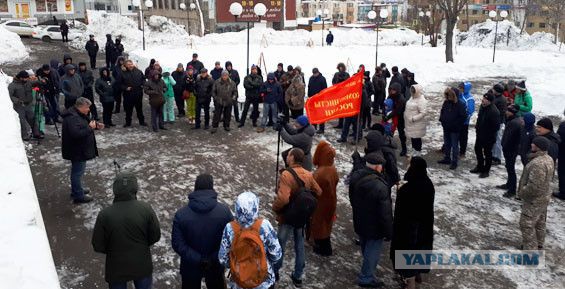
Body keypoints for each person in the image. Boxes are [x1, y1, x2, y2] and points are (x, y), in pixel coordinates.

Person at [92, 172, 161, 289]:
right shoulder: (145, 209)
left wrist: (114, 250)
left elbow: (97, 245)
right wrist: (142, 245)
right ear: (135, 188)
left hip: (116, 267)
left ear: (115, 189)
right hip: (142, 264)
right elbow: (155, 236)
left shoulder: (104, 215)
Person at [172, 174, 233, 289]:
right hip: (215, 265)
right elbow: (230, 240)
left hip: (190, 267)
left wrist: (198, 259)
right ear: (212, 187)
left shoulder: (181, 215)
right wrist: (213, 258)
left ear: (195, 187)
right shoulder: (224, 212)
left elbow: (177, 243)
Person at [272, 148, 322, 287]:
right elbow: (319, 191)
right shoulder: (308, 174)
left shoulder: (287, 175)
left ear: (292, 157)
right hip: (301, 217)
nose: (287, 156)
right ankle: (298, 276)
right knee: (299, 245)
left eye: (288, 155)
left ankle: (275, 271)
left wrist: (275, 208)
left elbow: (283, 199)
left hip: (287, 216)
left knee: (280, 244)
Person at [219, 192, 282, 289]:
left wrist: (237, 265)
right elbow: (276, 255)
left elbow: (223, 258)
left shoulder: (230, 228)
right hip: (263, 281)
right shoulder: (264, 226)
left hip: (238, 282)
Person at [348, 152, 392, 288]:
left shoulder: (355, 176)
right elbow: (385, 213)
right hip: (375, 225)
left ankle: (367, 271)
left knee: (366, 246)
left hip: (360, 218)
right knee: (372, 250)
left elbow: (351, 197)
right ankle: (366, 277)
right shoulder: (381, 186)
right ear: (377, 167)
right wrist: (389, 231)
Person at [390, 157, 435, 289]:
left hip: (408, 230)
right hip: (424, 227)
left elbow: (401, 210)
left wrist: (400, 191)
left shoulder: (408, 188)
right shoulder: (428, 184)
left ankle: (410, 282)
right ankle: (417, 274)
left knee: (407, 256)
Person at [61, 97, 103, 204]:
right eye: (87, 108)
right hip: (77, 150)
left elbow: (84, 125)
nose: (88, 110)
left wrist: (96, 126)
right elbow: (76, 134)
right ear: (80, 107)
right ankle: (78, 195)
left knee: (78, 171)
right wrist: (90, 128)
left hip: (79, 149)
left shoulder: (77, 114)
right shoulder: (72, 118)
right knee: (77, 172)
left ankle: (77, 189)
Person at [518, 137, 555, 250]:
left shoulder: (538, 164)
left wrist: (522, 192)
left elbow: (534, 186)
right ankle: (539, 244)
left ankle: (530, 252)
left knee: (526, 224)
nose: (531, 145)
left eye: (533, 143)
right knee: (539, 222)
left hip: (534, 199)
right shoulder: (548, 158)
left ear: (538, 146)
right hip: (544, 197)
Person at [310, 141, 338, 256]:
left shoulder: (320, 173)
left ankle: (324, 248)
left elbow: (314, 189)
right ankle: (324, 245)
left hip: (321, 203)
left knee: (320, 225)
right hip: (331, 200)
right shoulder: (332, 169)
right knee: (326, 223)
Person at [470, 92, 500, 178]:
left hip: (488, 137)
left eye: (485, 99)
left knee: (487, 154)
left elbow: (496, 127)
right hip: (480, 134)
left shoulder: (494, 112)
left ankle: (486, 171)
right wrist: (477, 128)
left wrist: (488, 134)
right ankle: (480, 166)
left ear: (490, 101)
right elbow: (479, 119)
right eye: (483, 98)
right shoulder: (482, 107)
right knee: (477, 150)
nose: (483, 100)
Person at [498, 105, 524, 198]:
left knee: (511, 169)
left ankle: (512, 190)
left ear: (512, 112)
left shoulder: (514, 123)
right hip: (510, 149)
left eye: (508, 111)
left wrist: (504, 146)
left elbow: (509, 137)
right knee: (509, 168)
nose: (506, 112)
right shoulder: (513, 120)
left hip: (511, 149)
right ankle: (509, 184)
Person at [438, 88, 467, 170]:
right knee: (447, 144)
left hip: (455, 129)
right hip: (446, 128)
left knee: (454, 146)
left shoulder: (460, 104)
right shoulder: (446, 102)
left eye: (449, 95)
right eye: (447, 95)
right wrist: (442, 121)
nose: (448, 97)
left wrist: (456, 125)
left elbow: (463, 117)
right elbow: (442, 112)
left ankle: (454, 162)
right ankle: (447, 158)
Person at [9, 70, 41, 140]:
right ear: (20, 78)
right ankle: (24, 135)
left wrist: (41, 81)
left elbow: (35, 83)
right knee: (22, 121)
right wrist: (18, 101)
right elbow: (10, 96)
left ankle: (36, 133)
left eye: (27, 78)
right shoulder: (12, 85)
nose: (27, 79)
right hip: (19, 106)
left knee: (32, 118)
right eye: (25, 78)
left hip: (28, 104)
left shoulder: (28, 82)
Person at [118, 60, 147, 127]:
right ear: (125, 65)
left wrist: (143, 84)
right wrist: (125, 88)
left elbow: (143, 79)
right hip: (128, 94)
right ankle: (128, 123)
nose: (130, 65)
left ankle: (142, 121)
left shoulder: (138, 71)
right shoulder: (122, 73)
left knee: (139, 109)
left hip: (138, 93)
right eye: (128, 64)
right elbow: (119, 84)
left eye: (131, 64)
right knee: (128, 110)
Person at [403, 84, 427, 157]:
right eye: (412, 90)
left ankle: (418, 151)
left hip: (417, 123)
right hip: (410, 123)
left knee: (417, 138)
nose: (412, 92)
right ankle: (414, 150)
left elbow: (423, 113)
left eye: (414, 90)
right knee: (413, 137)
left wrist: (413, 118)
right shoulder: (412, 97)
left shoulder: (421, 100)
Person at [386, 82, 407, 155]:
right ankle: (388, 145)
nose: (392, 91)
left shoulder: (401, 99)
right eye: (391, 89)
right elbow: (386, 104)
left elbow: (397, 111)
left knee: (401, 133)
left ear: (397, 90)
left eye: (394, 90)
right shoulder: (391, 96)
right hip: (391, 116)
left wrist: (388, 117)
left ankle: (404, 149)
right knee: (388, 131)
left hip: (400, 118)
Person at [307, 68, 328, 133]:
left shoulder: (322, 79)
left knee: (321, 114)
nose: (314, 74)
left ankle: (321, 129)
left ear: (318, 72)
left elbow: (325, 89)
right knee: (313, 114)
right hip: (312, 99)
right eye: (313, 73)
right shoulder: (311, 78)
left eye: (315, 73)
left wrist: (322, 97)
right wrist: (309, 96)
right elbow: (309, 87)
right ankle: (314, 126)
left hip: (320, 100)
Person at [458, 82, 475, 158]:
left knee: (463, 137)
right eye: (459, 87)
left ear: (466, 89)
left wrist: (464, 119)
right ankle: (446, 148)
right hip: (456, 120)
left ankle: (462, 152)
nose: (459, 89)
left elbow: (470, 111)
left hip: (464, 122)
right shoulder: (458, 95)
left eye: (461, 88)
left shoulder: (469, 98)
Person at [491, 83, 507, 165]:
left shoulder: (501, 100)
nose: (492, 90)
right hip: (497, 122)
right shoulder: (499, 98)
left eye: (493, 89)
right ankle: (494, 155)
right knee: (495, 139)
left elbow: (500, 112)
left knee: (497, 140)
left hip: (498, 122)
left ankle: (497, 157)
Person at [332, 63, 350, 129]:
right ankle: (340, 123)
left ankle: (345, 124)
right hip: (338, 93)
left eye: (341, 67)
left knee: (344, 109)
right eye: (339, 67)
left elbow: (349, 82)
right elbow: (333, 81)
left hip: (345, 94)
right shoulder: (336, 74)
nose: (340, 68)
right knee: (339, 109)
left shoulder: (347, 74)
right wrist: (336, 86)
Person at [555, 114, 565, 200]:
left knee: (562, 172)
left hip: (563, 153)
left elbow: (558, 138)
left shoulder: (563, 125)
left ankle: (563, 192)